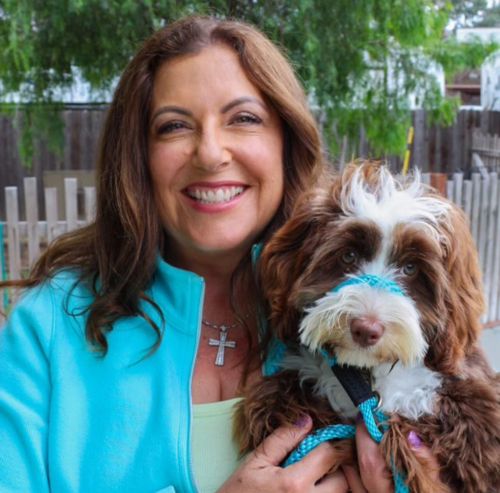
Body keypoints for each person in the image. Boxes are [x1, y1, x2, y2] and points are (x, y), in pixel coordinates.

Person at [0, 16, 433, 493]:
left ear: (286, 141)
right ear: (138, 157)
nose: (209, 153)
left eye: (243, 119)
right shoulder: (48, 329)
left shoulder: (374, 321)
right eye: (173, 126)